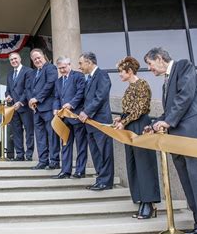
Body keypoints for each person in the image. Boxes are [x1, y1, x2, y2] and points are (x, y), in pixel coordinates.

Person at [144, 47, 197, 234]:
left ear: (160, 58)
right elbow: (171, 108)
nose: (150, 69)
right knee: (189, 184)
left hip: (194, 135)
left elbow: (185, 97)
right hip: (178, 139)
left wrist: (168, 121)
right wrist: (155, 124)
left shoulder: (184, 66)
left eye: (150, 63)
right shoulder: (166, 81)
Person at [113, 56, 160, 219]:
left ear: (129, 71)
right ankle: (141, 200)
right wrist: (121, 118)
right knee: (133, 164)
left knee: (144, 164)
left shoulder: (142, 85)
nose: (119, 75)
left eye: (121, 72)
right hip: (130, 126)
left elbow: (140, 109)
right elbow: (129, 109)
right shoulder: (128, 87)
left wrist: (124, 121)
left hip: (141, 126)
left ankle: (149, 203)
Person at [78, 52, 114, 191]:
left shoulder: (102, 75)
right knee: (96, 153)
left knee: (104, 152)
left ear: (89, 62)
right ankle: (100, 179)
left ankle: (106, 181)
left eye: (81, 63)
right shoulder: (89, 78)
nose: (80, 67)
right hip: (90, 124)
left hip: (100, 122)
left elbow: (100, 97)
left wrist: (86, 112)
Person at [52, 57, 87, 179]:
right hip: (64, 119)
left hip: (76, 116)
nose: (62, 70)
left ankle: (79, 171)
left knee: (81, 144)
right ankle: (65, 171)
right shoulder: (58, 81)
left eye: (64, 67)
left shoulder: (78, 76)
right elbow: (56, 97)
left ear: (69, 65)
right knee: (65, 145)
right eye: (60, 68)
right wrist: (55, 108)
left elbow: (80, 93)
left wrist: (71, 104)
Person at [27, 48, 60, 170]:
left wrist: (37, 98)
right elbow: (28, 89)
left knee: (52, 135)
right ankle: (42, 161)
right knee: (40, 136)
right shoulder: (33, 73)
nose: (37, 60)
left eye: (38, 58)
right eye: (34, 59)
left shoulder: (50, 68)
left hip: (48, 108)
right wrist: (31, 100)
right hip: (36, 110)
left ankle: (54, 160)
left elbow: (50, 84)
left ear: (43, 56)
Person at [5, 52, 34, 161]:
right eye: (11, 60)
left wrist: (21, 102)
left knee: (29, 131)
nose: (13, 61)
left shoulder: (28, 71)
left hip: (25, 107)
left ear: (20, 58)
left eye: (15, 58)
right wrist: (7, 96)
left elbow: (28, 89)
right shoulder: (9, 74)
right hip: (13, 108)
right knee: (16, 132)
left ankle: (29, 155)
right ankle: (20, 155)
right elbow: (8, 90)